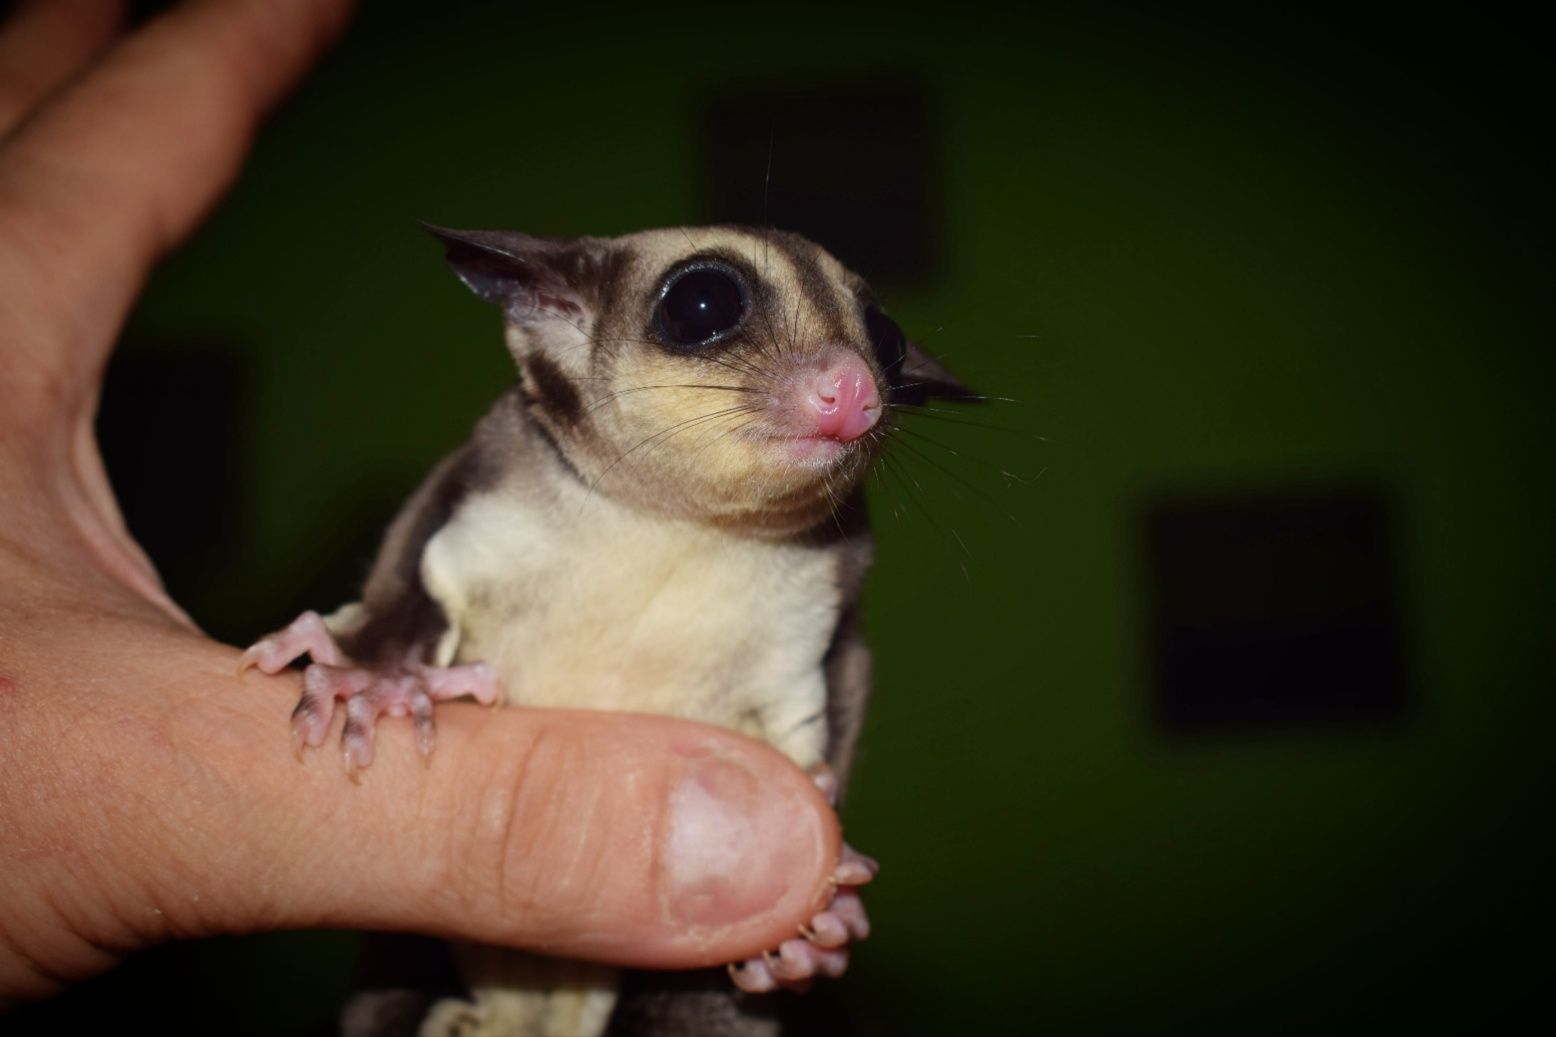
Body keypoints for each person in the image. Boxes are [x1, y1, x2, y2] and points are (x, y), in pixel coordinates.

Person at [0, 0, 839, 1009]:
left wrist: (803, 878)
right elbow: (439, 572)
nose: (847, 387)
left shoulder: (810, 567)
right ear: (555, 325)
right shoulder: (512, 483)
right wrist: (380, 658)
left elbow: (805, 721)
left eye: (866, 345)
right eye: (707, 310)